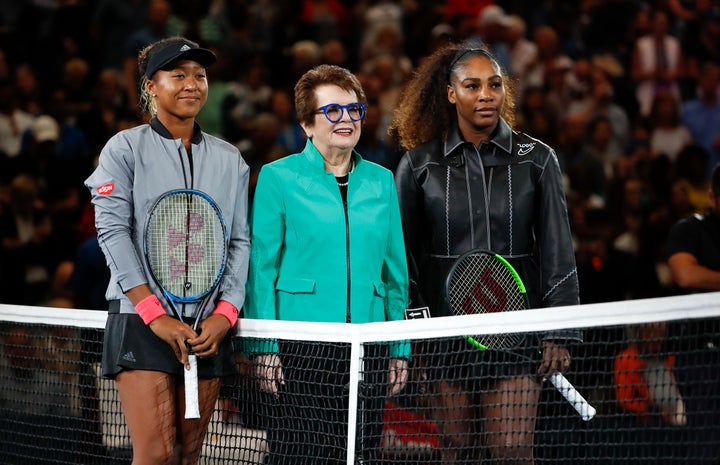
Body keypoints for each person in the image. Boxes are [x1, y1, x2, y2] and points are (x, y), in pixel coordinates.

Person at [389, 42, 581, 464]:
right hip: (443, 333)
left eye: (494, 85)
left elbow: (557, 249)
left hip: (518, 329)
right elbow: (401, 258)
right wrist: (415, 331)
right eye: (472, 85)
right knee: (458, 452)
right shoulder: (418, 164)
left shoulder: (538, 159)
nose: (486, 95)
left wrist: (560, 331)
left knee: (512, 450)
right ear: (451, 93)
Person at [84, 36, 251, 465]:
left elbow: (239, 241)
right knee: (156, 455)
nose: (192, 84)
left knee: (187, 456)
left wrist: (226, 313)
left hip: (207, 328)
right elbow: (112, 233)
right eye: (178, 75)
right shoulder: (124, 148)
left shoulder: (231, 159)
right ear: (151, 86)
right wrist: (153, 314)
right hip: (141, 321)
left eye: (199, 75)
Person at [244, 63, 409, 465]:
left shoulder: (382, 180)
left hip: (367, 347)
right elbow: (260, 270)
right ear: (306, 123)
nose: (347, 119)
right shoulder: (277, 177)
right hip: (301, 348)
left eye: (354, 111)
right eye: (333, 111)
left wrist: (399, 349)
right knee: (302, 456)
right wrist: (264, 348)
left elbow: (394, 275)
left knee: (361, 454)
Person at [665, 162, 720, 465]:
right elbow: (685, 274)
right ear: (712, 197)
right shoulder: (690, 230)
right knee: (707, 447)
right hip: (702, 357)